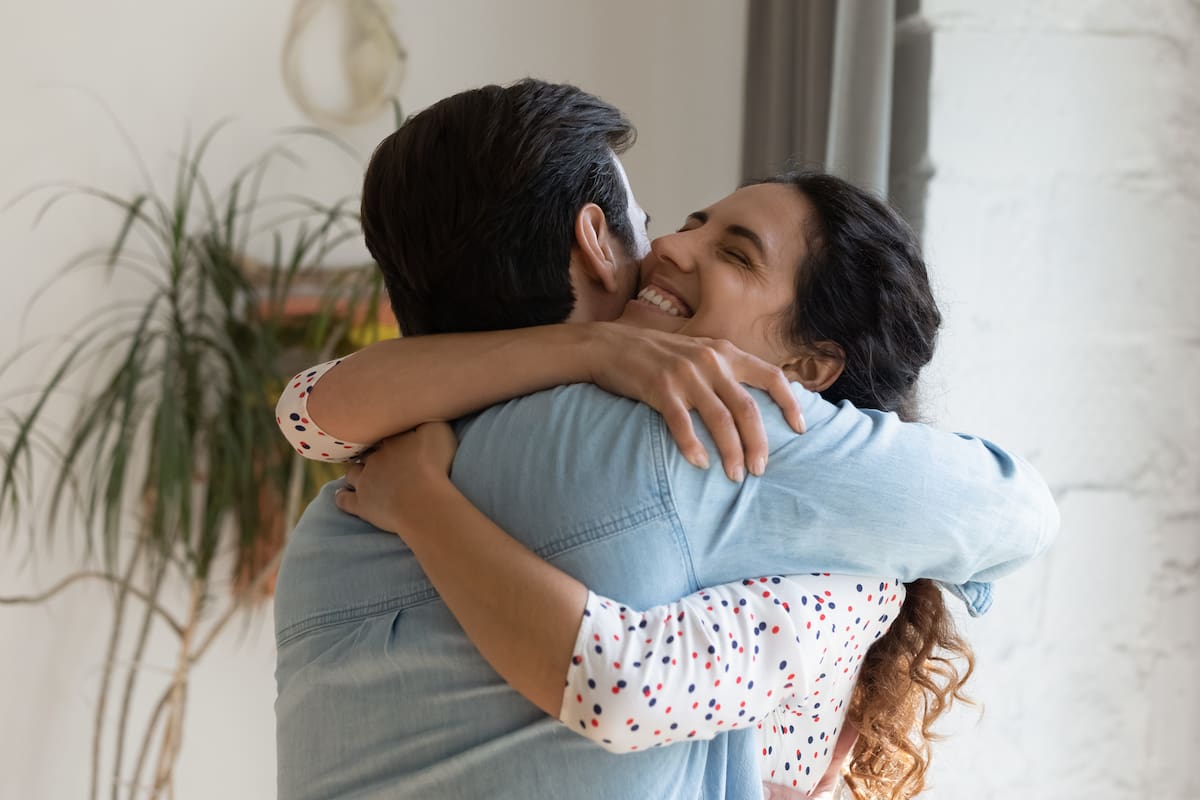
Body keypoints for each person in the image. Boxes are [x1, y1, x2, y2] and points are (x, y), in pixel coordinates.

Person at [273, 80, 1057, 800]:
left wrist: (421, 500)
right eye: (681, 223)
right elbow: (1017, 513)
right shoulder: (690, 439)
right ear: (593, 238)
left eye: (734, 252)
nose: (671, 249)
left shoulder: (348, 500)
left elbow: (306, 411)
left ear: (812, 366)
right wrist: (585, 352)